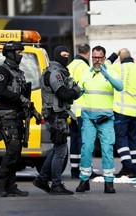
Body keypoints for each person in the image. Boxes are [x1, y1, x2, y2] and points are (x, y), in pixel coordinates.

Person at [0, 41, 41, 197]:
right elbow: (0, 91)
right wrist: (20, 98)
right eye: (19, 52)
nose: (21, 55)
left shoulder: (18, 73)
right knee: (12, 150)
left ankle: (10, 185)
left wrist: (34, 112)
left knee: (16, 153)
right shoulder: (1, 70)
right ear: (10, 53)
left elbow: (24, 98)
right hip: (6, 116)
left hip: (17, 117)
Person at [33, 45, 82, 195]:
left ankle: (42, 179)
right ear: (56, 55)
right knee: (61, 150)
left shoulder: (58, 72)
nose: (65, 57)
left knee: (57, 149)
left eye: (68, 54)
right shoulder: (55, 73)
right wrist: (76, 90)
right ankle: (55, 184)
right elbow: (63, 94)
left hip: (56, 115)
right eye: (63, 54)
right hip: (55, 116)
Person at [75, 45, 123, 193]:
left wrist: (107, 75)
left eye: (99, 58)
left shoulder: (111, 71)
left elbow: (120, 87)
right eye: (94, 58)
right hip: (88, 118)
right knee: (87, 148)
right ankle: (84, 180)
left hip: (105, 118)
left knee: (107, 149)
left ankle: (109, 182)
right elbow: (78, 93)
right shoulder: (85, 73)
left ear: (104, 58)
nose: (96, 61)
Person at [107, 48, 136, 178]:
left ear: (121, 59)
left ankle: (127, 166)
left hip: (120, 110)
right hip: (135, 112)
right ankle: (135, 169)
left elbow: (105, 65)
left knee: (121, 139)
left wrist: (114, 54)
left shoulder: (118, 69)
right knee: (132, 140)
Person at [67, 43, 90, 179]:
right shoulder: (85, 68)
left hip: (71, 111)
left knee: (74, 140)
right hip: (82, 110)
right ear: (87, 53)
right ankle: (84, 169)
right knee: (84, 141)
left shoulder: (69, 66)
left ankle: (74, 170)